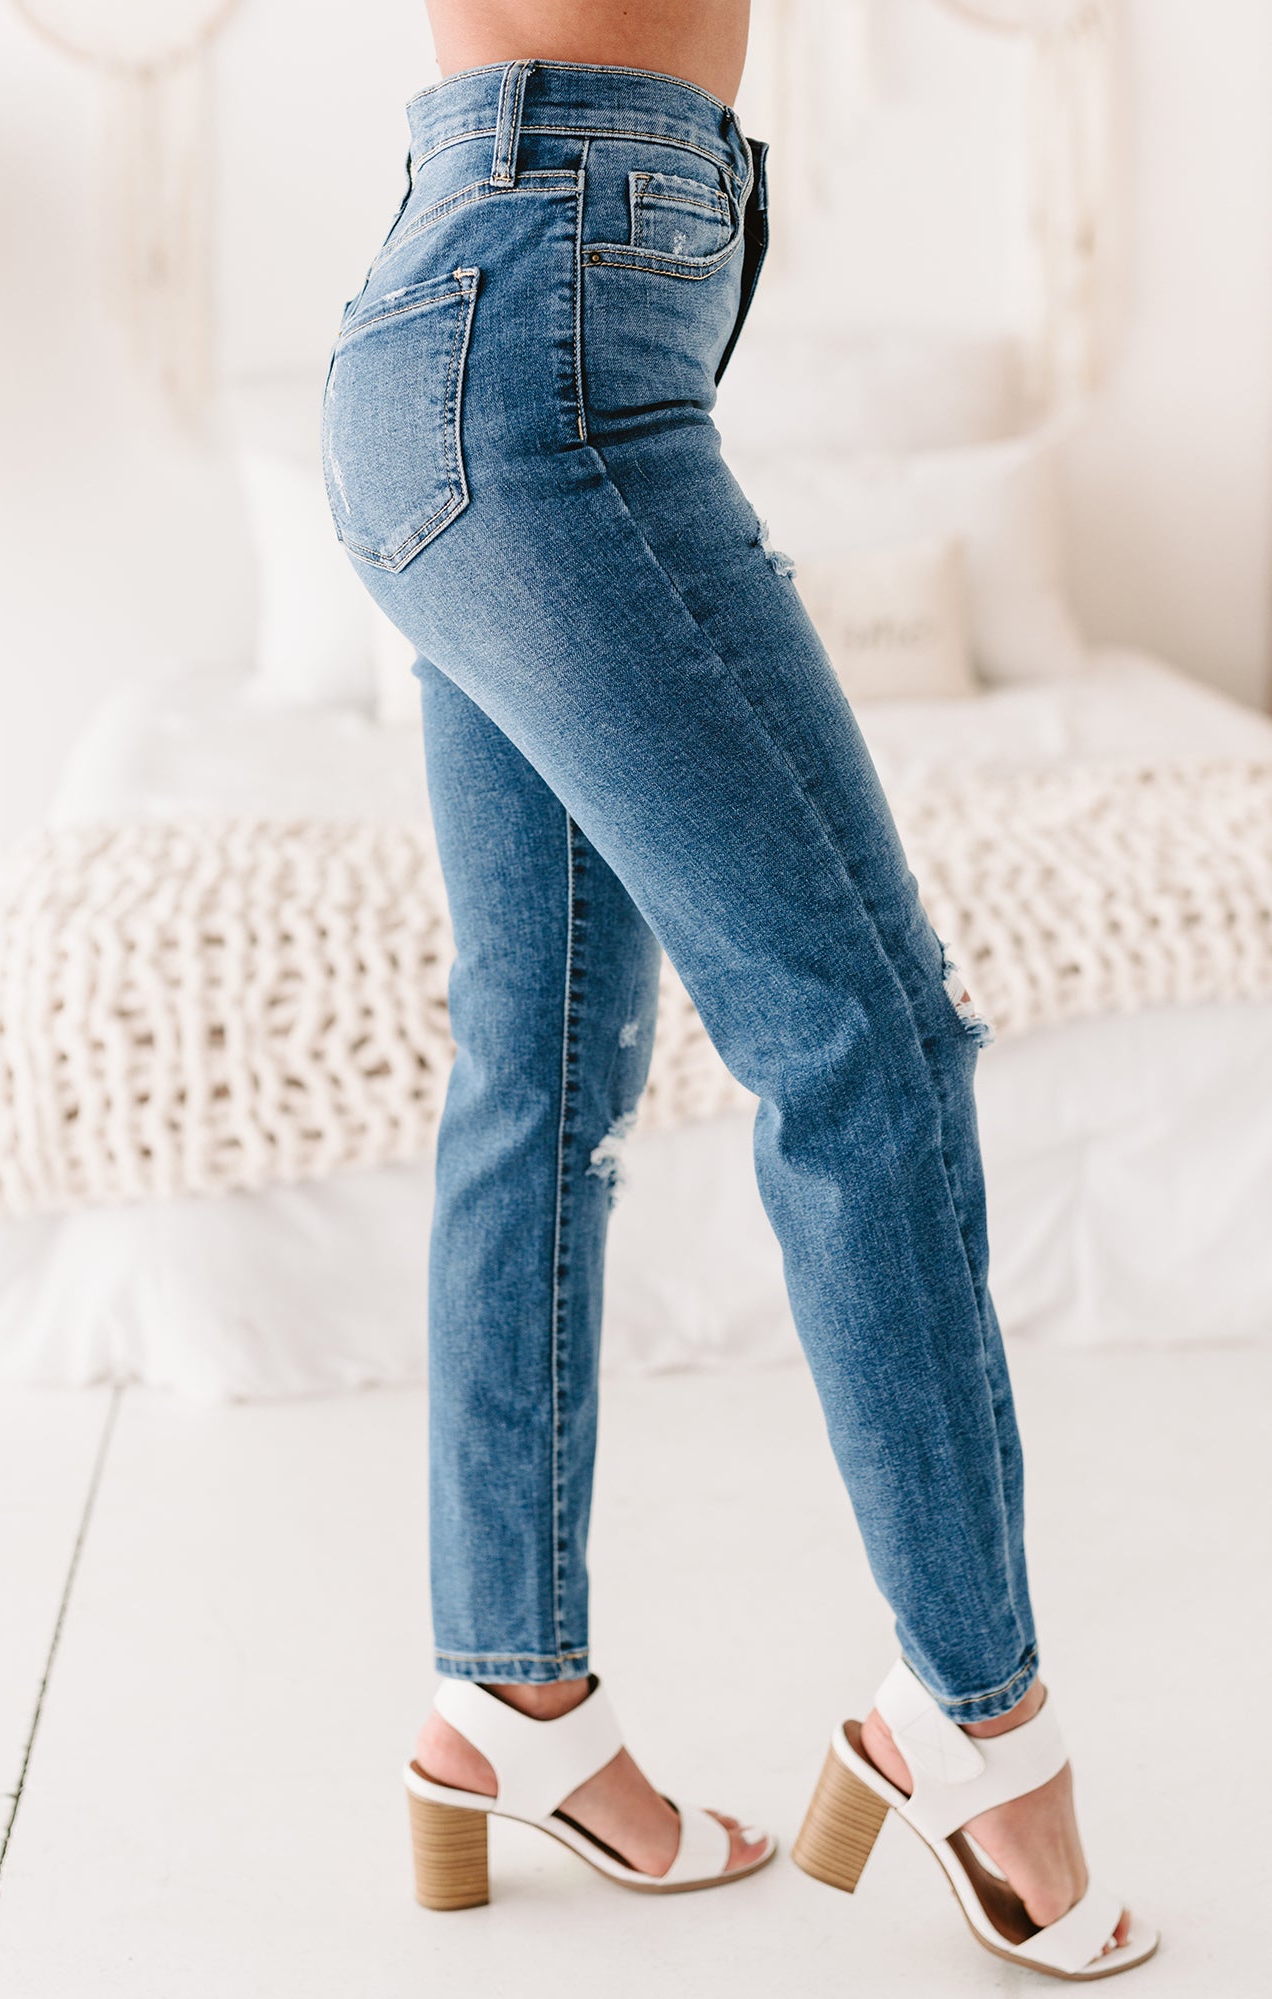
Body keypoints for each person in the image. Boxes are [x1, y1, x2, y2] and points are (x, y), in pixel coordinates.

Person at [320, 1, 1155, 1975]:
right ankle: (979, 1725)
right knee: (863, 1038)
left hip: (482, 313)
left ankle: (510, 1698)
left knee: (537, 1068)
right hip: (549, 333)